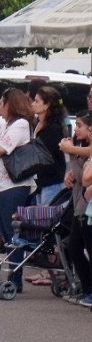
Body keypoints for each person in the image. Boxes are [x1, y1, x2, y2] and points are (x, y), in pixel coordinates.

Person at [0, 89, 34, 292]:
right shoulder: (6, 125)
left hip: (13, 185)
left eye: (1, 102)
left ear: (10, 104)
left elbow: (0, 150)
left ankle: (15, 277)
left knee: (12, 228)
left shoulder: (21, 124)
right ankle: (11, 267)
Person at [59, 111, 92, 306]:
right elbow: (78, 176)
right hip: (80, 205)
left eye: (79, 125)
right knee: (73, 247)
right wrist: (69, 173)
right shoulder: (81, 149)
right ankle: (87, 288)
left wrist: (70, 151)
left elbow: (85, 178)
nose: (76, 129)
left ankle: (89, 289)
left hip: (86, 208)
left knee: (83, 247)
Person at [31, 86, 68, 205]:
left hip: (52, 181)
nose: (33, 104)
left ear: (47, 105)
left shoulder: (53, 128)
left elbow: (41, 152)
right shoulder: (37, 123)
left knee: (48, 219)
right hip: (40, 181)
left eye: (37, 101)